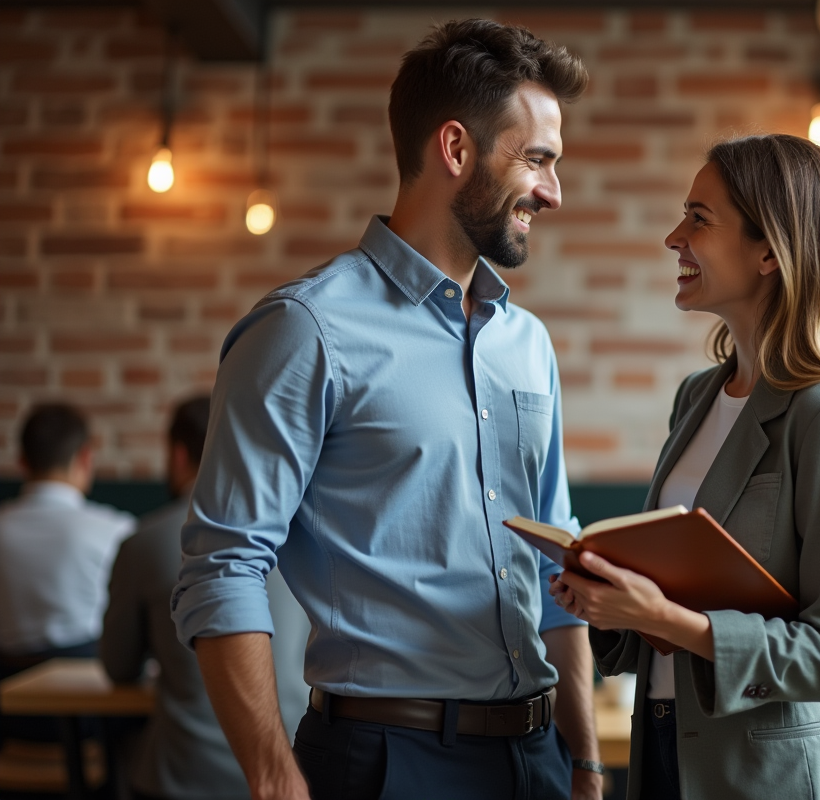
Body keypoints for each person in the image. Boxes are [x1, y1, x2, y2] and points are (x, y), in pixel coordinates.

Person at [170, 19, 602, 800]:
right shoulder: (305, 330)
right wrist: (274, 779)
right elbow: (223, 565)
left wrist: (585, 759)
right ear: (456, 149)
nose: (553, 190)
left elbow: (554, 560)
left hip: (538, 759)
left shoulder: (526, 342)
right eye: (536, 158)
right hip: (385, 763)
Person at [551, 134, 820, 800]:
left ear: (770, 250)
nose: (673, 238)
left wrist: (665, 619)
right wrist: (609, 606)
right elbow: (673, 602)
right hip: (662, 751)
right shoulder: (698, 397)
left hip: (767, 779)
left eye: (698, 218)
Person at [101, 396, 311, 800]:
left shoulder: (144, 542)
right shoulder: (305, 535)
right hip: (297, 768)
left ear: (179, 455)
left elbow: (118, 667)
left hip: (184, 776)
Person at [0, 403, 135, 676]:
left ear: (22, 461)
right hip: (90, 692)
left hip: (9, 696)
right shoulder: (118, 531)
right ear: (85, 458)